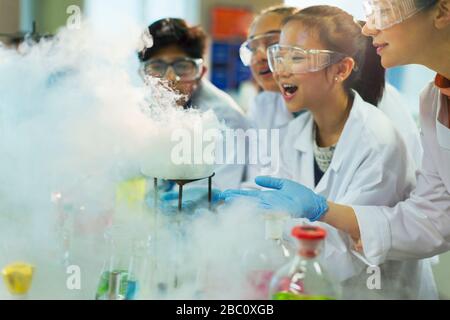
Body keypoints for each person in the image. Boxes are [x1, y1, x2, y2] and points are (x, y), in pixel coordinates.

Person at [220, 5, 437, 298]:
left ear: (341, 70)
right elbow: (276, 215)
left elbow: (344, 258)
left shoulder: (376, 140)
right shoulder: (297, 132)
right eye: (279, 55)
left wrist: (274, 257)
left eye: (295, 56)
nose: (279, 68)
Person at [138, 18, 250, 191]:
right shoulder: (142, 107)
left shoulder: (224, 118)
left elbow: (217, 190)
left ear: (201, 72)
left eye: (182, 67)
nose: (169, 79)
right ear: (143, 74)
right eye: (157, 67)